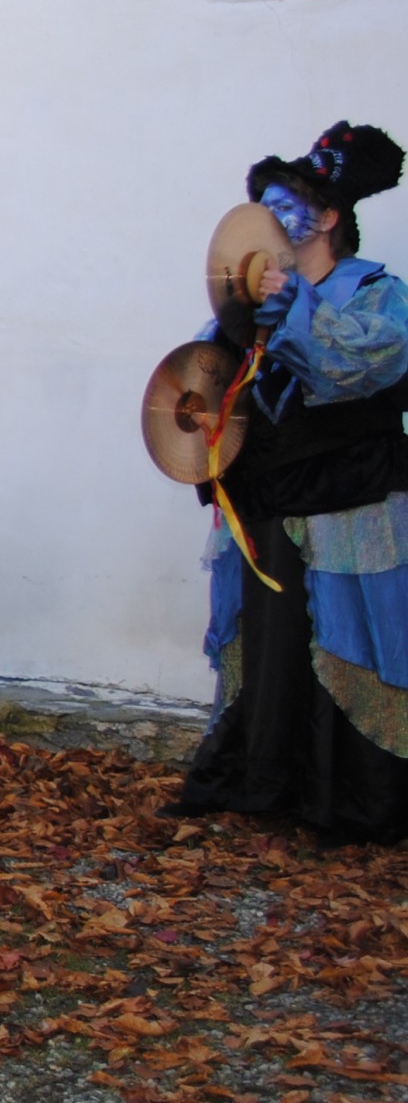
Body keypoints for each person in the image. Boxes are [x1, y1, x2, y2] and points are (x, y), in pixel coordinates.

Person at [172, 123, 408, 841]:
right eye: (266, 206)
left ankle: (355, 800)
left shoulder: (377, 292)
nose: (271, 219)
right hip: (266, 505)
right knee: (267, 640)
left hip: (349, 501)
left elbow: (360, 365)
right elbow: (204, 390)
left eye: (288, 205)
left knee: (350, 638)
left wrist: (295, 308)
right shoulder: (240, 311)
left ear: (328, 217)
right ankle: (262, 781)